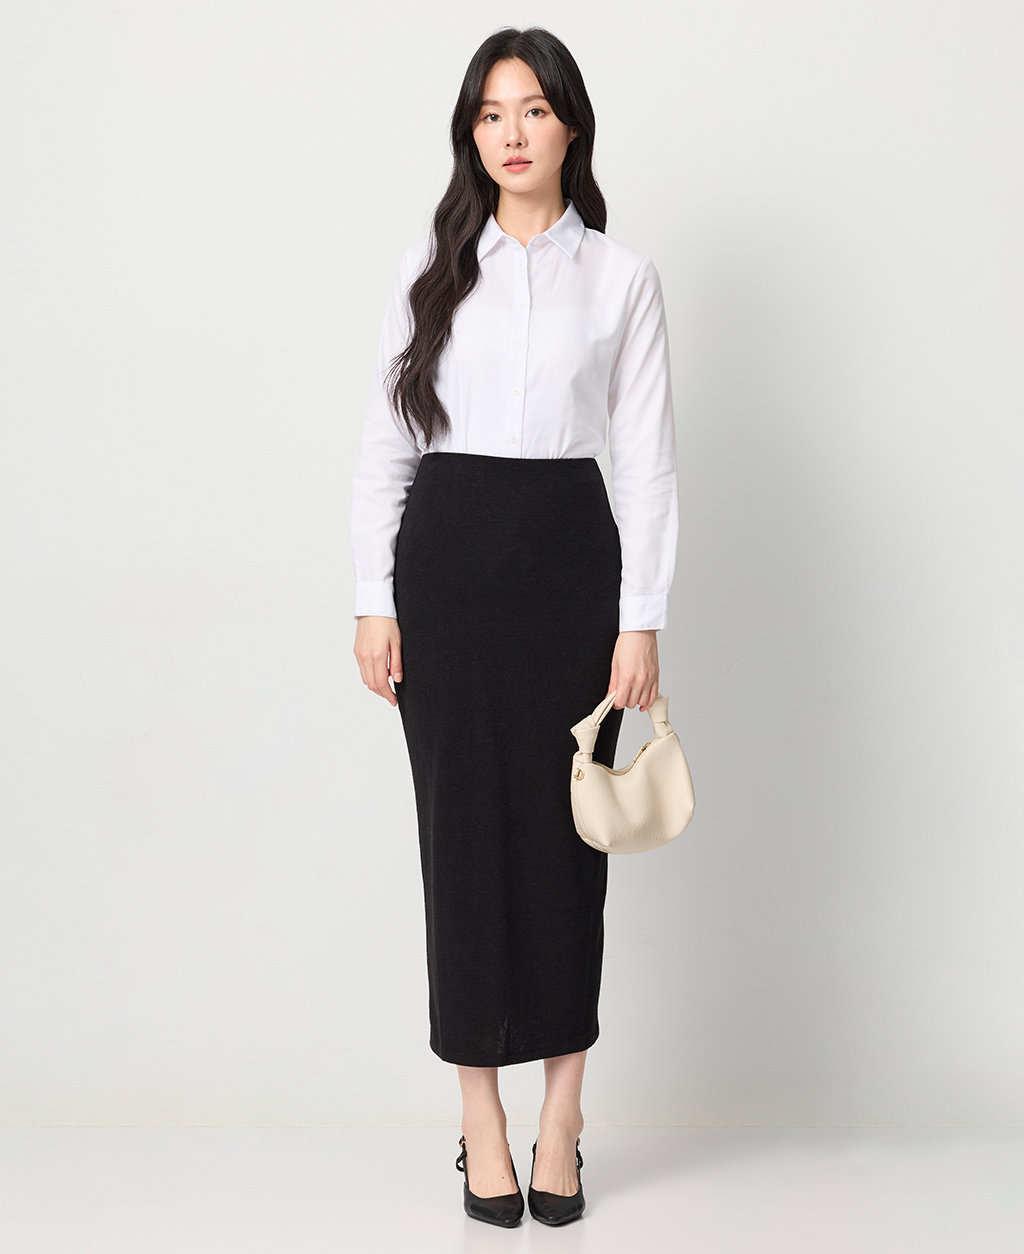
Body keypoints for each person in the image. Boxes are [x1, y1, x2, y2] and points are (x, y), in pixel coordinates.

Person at [350, 26, 678, 1228]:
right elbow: (385, 448)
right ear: (471, 135)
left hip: (569, 569)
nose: (511, 132)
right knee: (461, 843)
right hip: (444, 570)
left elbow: (645, 464)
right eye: (490, 114)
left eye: (532, 109)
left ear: (569, 124)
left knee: (565, 847)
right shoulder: (430, 269)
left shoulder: (621, 278)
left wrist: (640, 620)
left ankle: (561, 1119)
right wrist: (373, 596)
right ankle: (481, 1120)